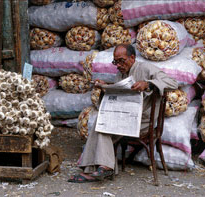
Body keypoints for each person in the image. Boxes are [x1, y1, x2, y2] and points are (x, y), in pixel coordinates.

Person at [68, 44, 178, 183]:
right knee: (101, 122)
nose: (118, 65)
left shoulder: (145, 68)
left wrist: (148, 84)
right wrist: (105, 87)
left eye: (121, 60)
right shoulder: (120, 74)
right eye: (115, 62)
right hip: (124, 117)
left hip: (141, 122)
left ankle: (100, 169)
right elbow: (119, 97)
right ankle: (102, 168)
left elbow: (172, 82)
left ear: (132, 57)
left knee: (102, 126)